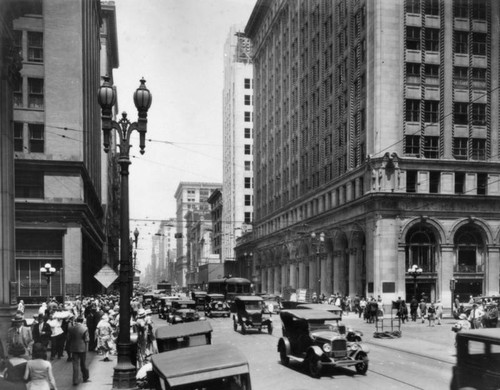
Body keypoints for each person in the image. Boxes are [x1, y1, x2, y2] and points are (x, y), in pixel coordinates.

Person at [67, 316, 90, 386]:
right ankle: (85, 377)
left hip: (74, 348)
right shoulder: (85, 328)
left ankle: (75, 380)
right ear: (82, 321)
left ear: (76, 320)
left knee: (75, 364)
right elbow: (87, 339)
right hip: (82, 348)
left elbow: (68, 338)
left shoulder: (71, 328)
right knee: (83, 363)